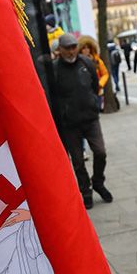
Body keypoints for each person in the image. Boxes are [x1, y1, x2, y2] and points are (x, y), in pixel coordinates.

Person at [47, 34, 112, 209]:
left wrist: (93, 103)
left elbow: (95, 84)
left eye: (73, 47)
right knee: (77, 161)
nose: (71, 51)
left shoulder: (86, 63)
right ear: (59, 50)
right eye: (67, 48)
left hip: (90, 118)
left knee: (100, 152)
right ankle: (86, 191)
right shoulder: (54, 69)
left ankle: (98, 181)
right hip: (70, 124)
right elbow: (52, 96)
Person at [77, 36, 110, 107]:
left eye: (88, 47)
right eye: (84, 48)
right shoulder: (78, 62)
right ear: (80, 49)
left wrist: (100, 84)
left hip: (97, 92)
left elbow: (105, 74)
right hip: (83, 93)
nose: (86, 50)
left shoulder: (97, 61)